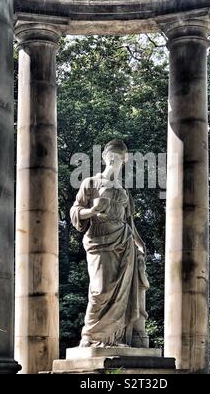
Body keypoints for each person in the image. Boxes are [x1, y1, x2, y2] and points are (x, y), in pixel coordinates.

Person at [70, 140, 149, 348]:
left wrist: (140, 245)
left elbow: (130, 222)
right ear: (104, 157)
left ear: (124, 160)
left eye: (118, 156)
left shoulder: (124, 191)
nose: (113, 159)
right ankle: (90, 338)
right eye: (110, 155)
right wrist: (93, 211)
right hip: (99, 240)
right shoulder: (91, 183)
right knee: (100, 290)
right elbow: (76, 211)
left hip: (123, 240)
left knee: (122, 294)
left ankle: (115, 339)